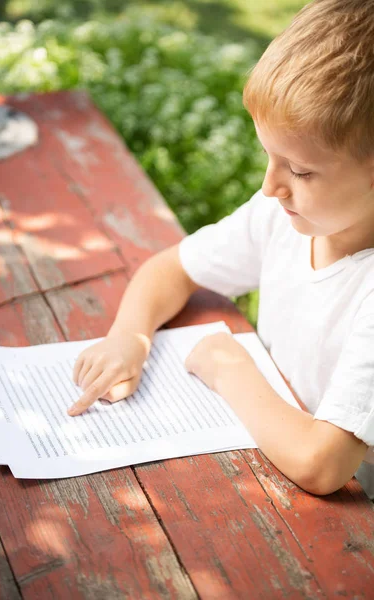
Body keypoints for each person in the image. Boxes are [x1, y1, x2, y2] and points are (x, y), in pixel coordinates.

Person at [68, 0, 374, 498]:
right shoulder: (285, 215)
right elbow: (171, 268)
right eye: (268, 157)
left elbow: (323, 465)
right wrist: (130, 338)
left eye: (299, 170)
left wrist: (227, 368)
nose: (270, 184)